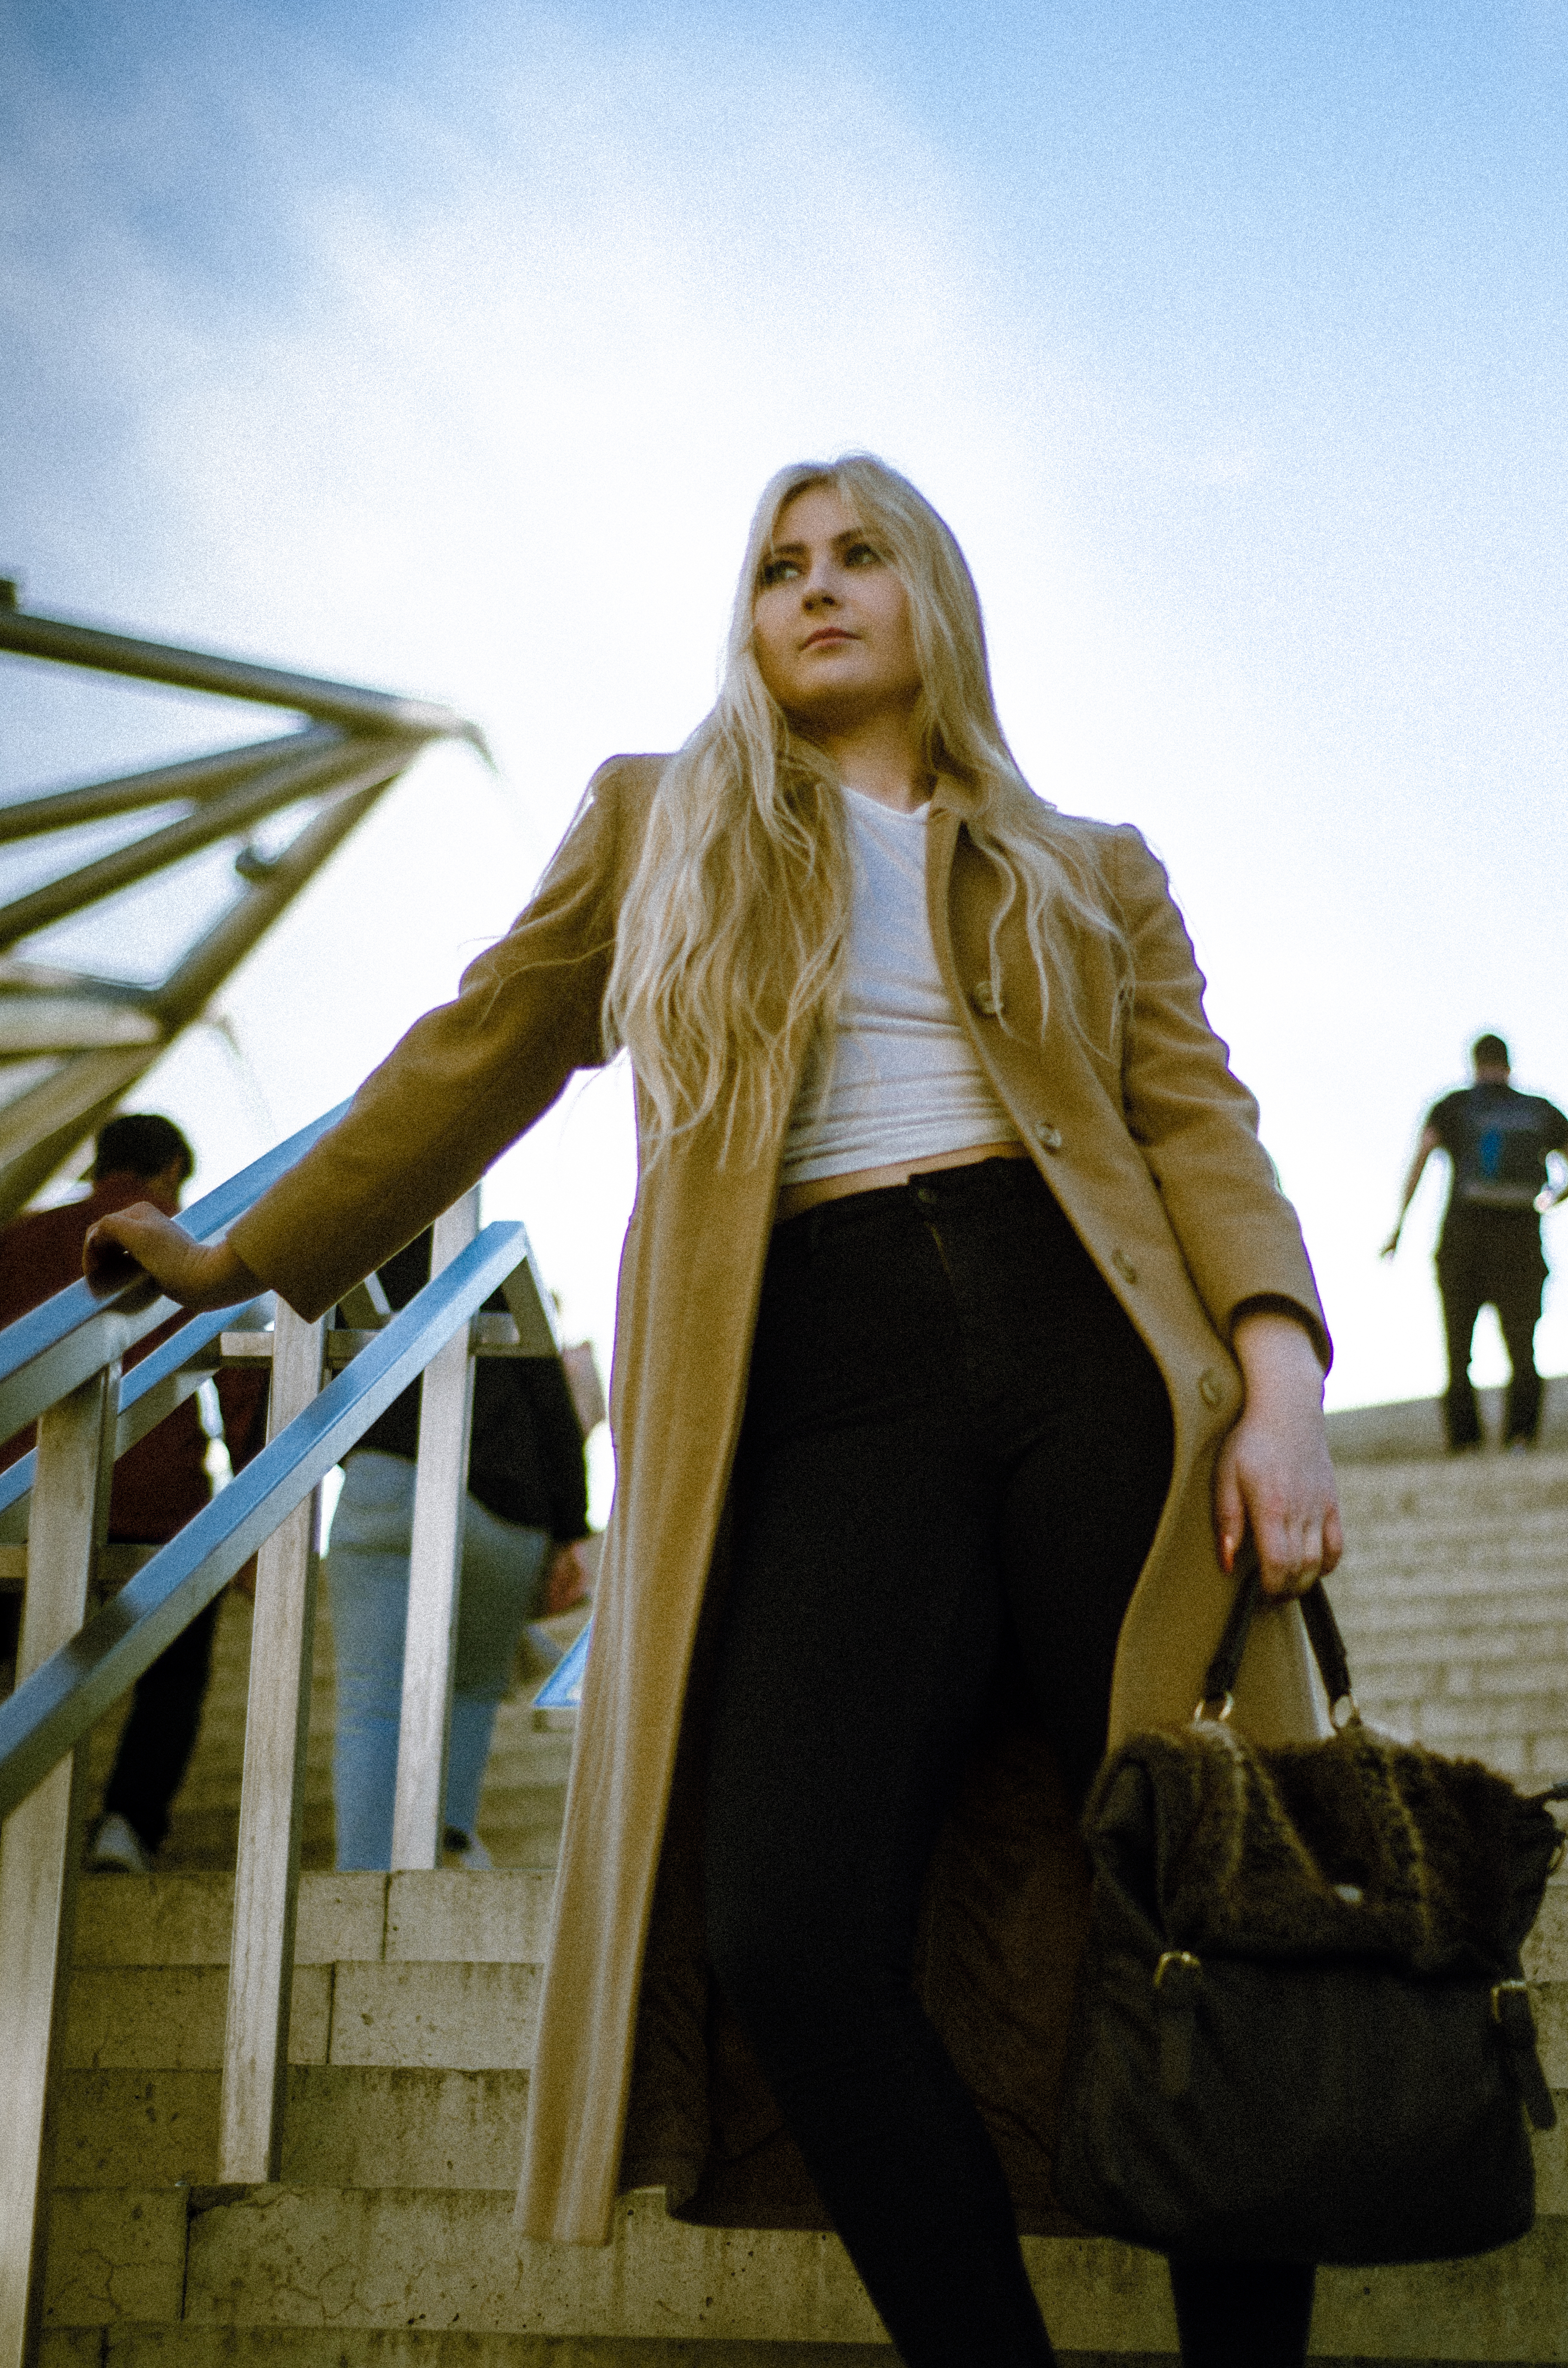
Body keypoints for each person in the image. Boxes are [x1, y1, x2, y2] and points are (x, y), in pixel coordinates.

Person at [85, 456, 1341, 2368]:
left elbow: (1200, 1124)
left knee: (1206, 1891)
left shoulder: (1094, 861)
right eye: (777, 567)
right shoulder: (659, 817)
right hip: (824, 1381)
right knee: (786, 1921)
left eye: (859, 557)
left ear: (938, 595)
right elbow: (486, 1042)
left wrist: (1285, 1383)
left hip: (1097, 1354)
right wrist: (251, 1248)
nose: (815, 591)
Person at [0, 1113, 269, 1871]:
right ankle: (126, 1824)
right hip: (154, 1503)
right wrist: (252, 1515)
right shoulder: (187, 1242)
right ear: (172, 1171)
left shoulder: (16, 1239)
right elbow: (246, 1380)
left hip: (16, 1499)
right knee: (174, 1660)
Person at [327, 1228, 592, 1870]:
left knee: (371, 1695)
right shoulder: (493, 1263)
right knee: (472, 1688)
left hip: (386, 1478)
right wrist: (571, 1530)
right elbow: (550, 1404)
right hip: (505, 1507)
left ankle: (364, 1874)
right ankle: (446, 1839)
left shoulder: (343, 1257)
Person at [1381, 1033, 1568, 1451]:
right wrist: (1556, 1196)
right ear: (1508, 1064)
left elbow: (1421, 1159)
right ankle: (1520, 1439)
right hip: (1521, 1244)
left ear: (1475, 1063)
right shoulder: (1539, 1110)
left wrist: (1398, 1228)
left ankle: (1466, 1444)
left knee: (1459, 1350)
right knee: (1523, 1347)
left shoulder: (1453, 1106)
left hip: (1462, 1245)